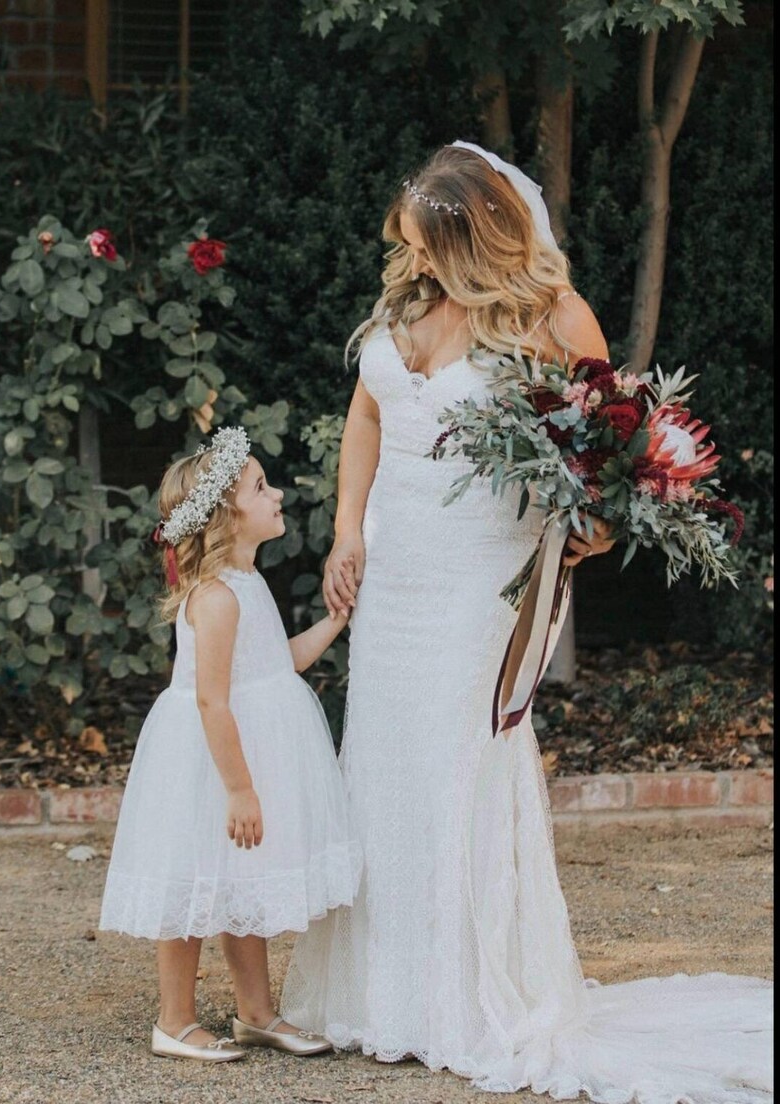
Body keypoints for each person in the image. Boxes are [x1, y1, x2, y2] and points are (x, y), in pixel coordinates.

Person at [281, 142, 773, 1099]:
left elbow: (611, 455)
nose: (413, 262)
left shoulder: (552, 317)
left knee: (458, 760)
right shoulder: (406, 302)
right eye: (409, 248)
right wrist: (347, 532)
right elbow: (368, 420)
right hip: (396, 568)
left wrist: (591, 532)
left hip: (480, 577)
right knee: (381, 758)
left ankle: (469, 997)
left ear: (476, 239)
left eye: (427, 247)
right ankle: (384, 994)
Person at [99, 426, 361, 1062]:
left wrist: (335, 621)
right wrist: (239, 788)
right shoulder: (214, 598)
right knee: (191, 883)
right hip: (211, 761)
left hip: (251, 747)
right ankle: (175, 1020)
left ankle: (256, 1013)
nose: (276, 496)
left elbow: (278, 663)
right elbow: (212, 700)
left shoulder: (248, 584)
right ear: (225, 515)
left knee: (243, 883)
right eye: (260, 487)